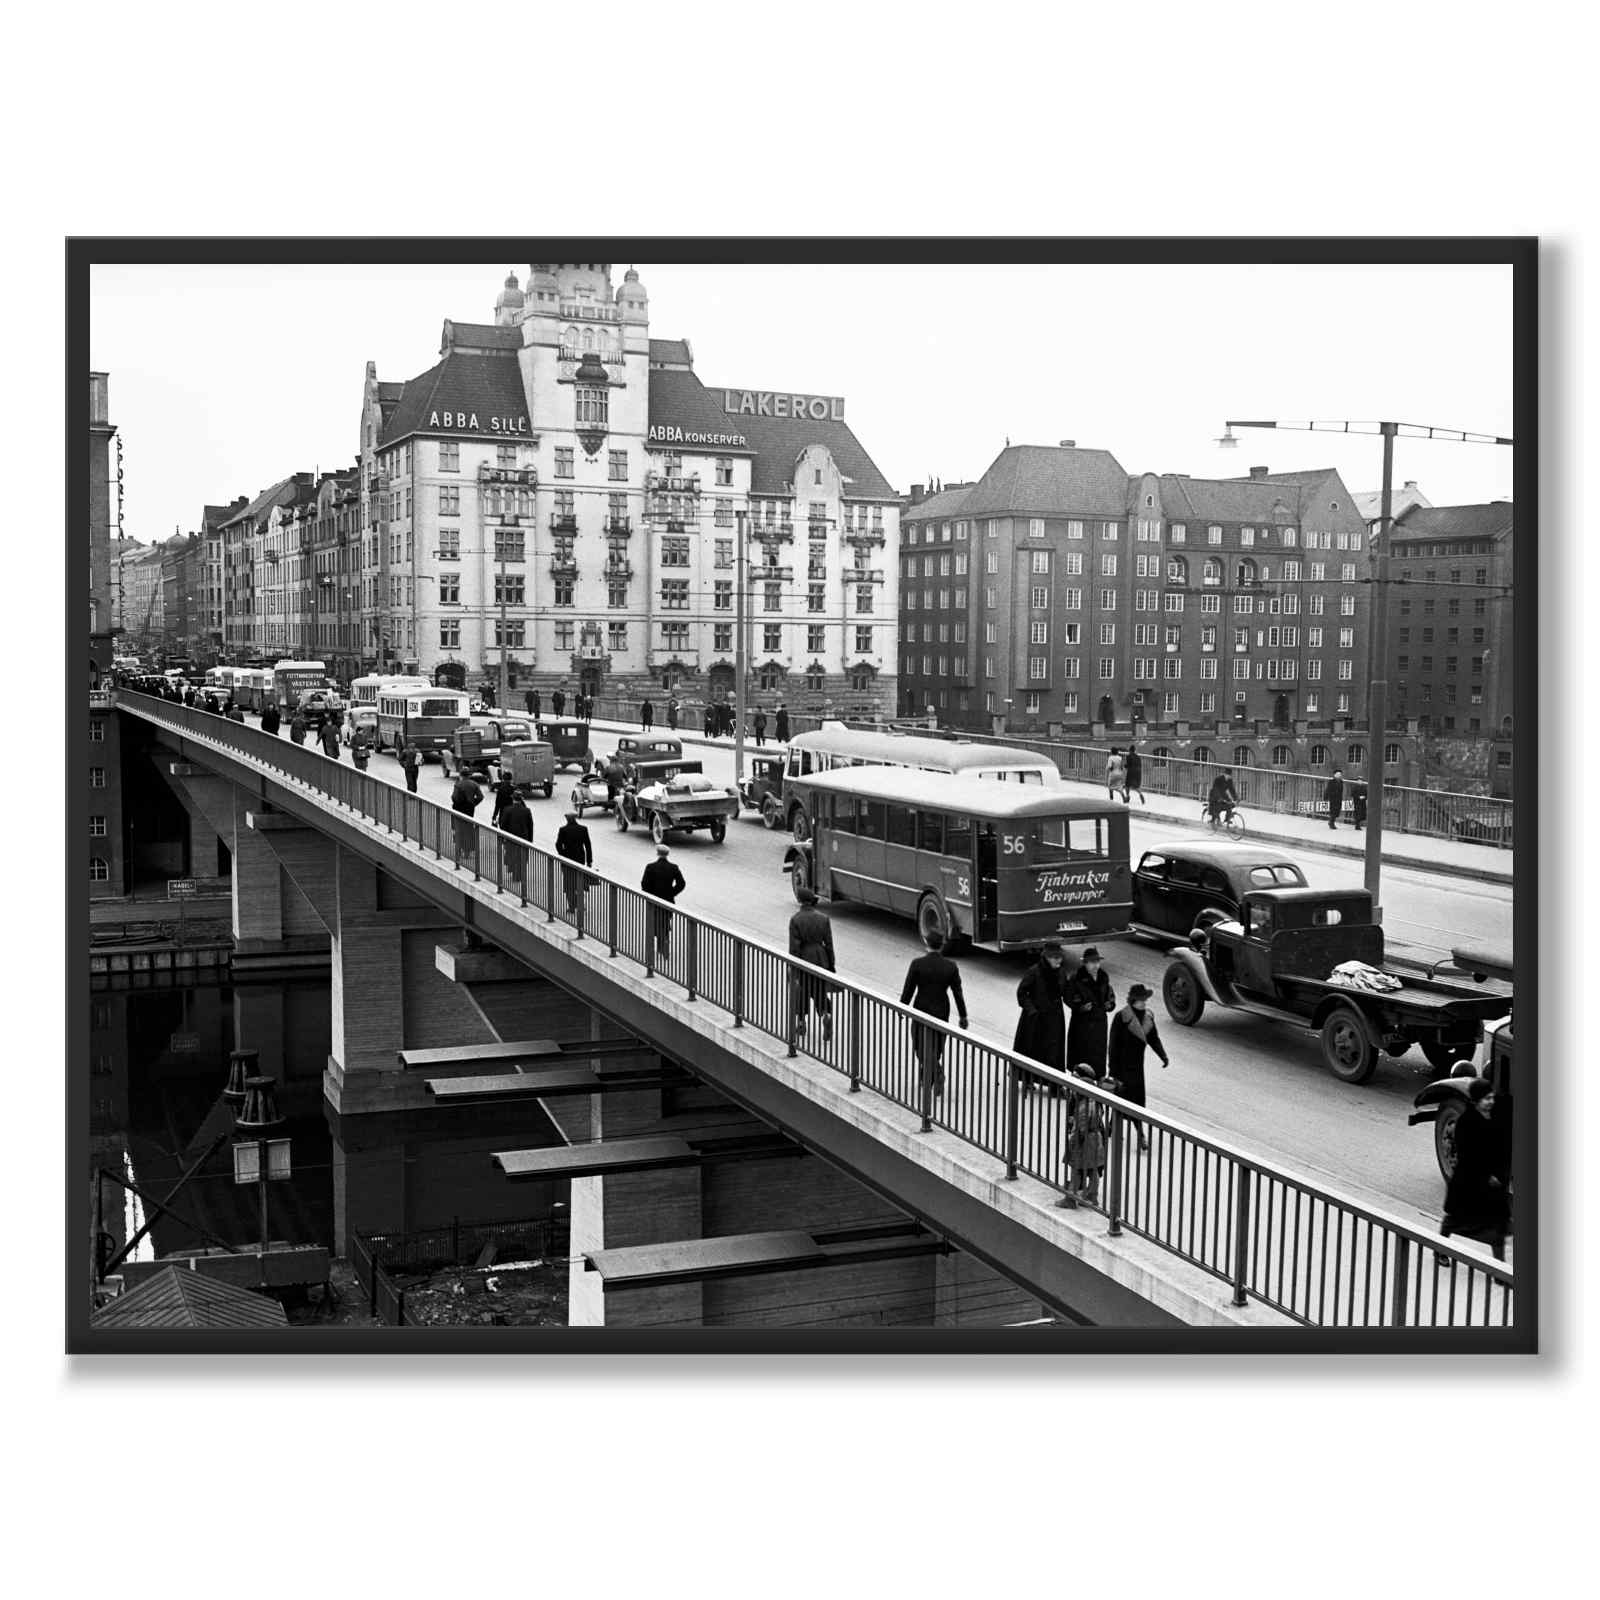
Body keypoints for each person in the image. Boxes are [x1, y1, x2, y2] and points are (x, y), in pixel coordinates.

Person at [1440, 1077, 1511, 1260]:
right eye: (1487, 1099)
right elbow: (1470, 1155)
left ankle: (1498, 1269)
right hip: (1470, 1182)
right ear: (1477, 1100)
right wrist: (1488, 1175)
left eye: (1492, 1098)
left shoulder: (1494, 1115)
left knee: (1497, 1226)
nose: (1491, 1102)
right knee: (1454, 1220)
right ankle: (1440, 1249)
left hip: (1492, 1182)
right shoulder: (1467, 1122)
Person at [900, 936, 968, 1105]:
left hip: (921, 1010)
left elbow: (908, 988)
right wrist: (963, 1015)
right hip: (941, 1011)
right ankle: (928, 1076)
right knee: (936, 1046)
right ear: (942, 945)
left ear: (926, 943)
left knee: (920, 1045)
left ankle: (935, 1073)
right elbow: (957, 993)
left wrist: (902, 1007)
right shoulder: (951, 967)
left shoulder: (917, 964)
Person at [1106, 983, 1170, 1152]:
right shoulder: (1121, 1017)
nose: (1144, 1003)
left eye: (1145, 999)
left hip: (1137, 1068)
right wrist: (1112, 1071)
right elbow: (1113, 1046)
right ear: (1133, 1000)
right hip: (1121, 1068)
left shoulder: (1148, 1017)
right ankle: (1140, 1134)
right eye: (1141, 1000)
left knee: (1136, 1103)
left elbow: (1153, 1038)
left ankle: (1116, 1128)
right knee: (1122, 1100)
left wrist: (1163, 1055)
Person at [787, 886, 837, 1047]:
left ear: (800, 901)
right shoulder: (823, 919)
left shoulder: (796, 920)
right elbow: (829, 944)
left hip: (803, 959)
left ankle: (801, 1022)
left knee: (801, 992)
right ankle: (824, 1015)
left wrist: (792, 968)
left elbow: (794, 948)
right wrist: (831, 965)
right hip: (821, 958)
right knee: (819, 991)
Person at [1013, 942, 1071, 1077]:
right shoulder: (1034, 971)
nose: (1059, 961)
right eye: (1055, 958)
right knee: (1031, 1050)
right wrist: (1031, 1010)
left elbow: (1066, 992)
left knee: (1053, 1052)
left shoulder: (1061, 973)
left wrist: (1076, 1003)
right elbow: (1021, 992)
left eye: (1060, 958)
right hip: (1036, 1019)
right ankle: (1027, 1079)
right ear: (1047, 958)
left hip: (1054, 1018)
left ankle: (1054, 1083)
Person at [1065, 946, 1115, 1077]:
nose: (1095, 966)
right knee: (1081, 1054)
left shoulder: (1103, 977)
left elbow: (1110, 994)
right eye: (1092, 962)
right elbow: (1068, 997)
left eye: (1097, 962)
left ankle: (1096, 1083)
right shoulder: (1076, 978)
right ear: (1085, 963)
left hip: (1099, 1024)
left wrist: (1110, 1004)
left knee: (1097, 1056)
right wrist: (1080, 1007)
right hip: (1082, 1024)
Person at [1065, 1063, 1112, 1206]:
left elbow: (1084, 1122)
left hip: (1085, 1138)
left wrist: (1076, 1134)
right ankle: (1092, 1196)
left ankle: (1071, 1199)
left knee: (1077, 1168)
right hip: (1094, 1138)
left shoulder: (1085, 1099)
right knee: (1092, 1169)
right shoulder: (1093, 1096)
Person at [640, 843, 685, 960]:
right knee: (664, 923)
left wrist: (650, 894)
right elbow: (681, 883)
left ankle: (660, 945)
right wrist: (672, 893)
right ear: (667, 854)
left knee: (655, 922)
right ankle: (664, 942)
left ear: (657, 853)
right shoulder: (673, 867)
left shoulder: (650, 867)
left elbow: (644, 884)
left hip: (654, 901)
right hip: (668, 901)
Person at [555, 809, 593, 915]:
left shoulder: (563, 830)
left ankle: (571, 907)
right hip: (580, 861)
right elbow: (588, 846)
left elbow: (558, 844)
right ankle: (580, 905)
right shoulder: (583, 829)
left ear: (567, 819)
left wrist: (562, 854)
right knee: (579, 884)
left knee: (568, 885)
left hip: (567, 862)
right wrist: (589, 861)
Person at [498, 786, 534, 892]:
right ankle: (520, 874)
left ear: (513, 799)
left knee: (512, 855)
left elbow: (503, 825)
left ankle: (514, 873)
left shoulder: (507, 810)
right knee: (521, 857)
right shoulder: (527, 810)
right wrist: (530, 840)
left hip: (511, 838)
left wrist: (503, 837)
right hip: (523, 838)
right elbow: (530, 826)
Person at [450, 766, 484, 864]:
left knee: (458, 829)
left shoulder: (458, 784)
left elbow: (454, 797)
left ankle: (459, 849)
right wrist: (473, 804)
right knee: (468, 829)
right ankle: (467, 851)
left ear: (461, 775)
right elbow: (481, 797)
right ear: (469, 775)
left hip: (459, 810)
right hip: (469, 810)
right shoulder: (474, 784)